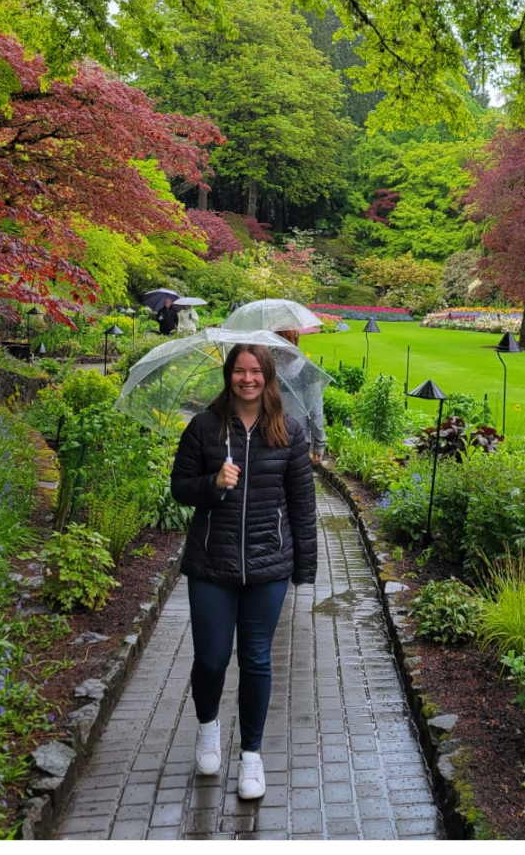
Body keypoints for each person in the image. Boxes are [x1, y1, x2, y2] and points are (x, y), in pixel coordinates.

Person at [170, 343, 317, 800]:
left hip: (268, 564)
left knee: (256, 660)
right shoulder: (204, 427)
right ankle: (208, 727)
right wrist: (213, 485)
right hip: (212, 563)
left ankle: (251, 756)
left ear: (268, 377)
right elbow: (179, 489)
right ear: (228, 374)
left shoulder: (289, 433)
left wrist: (305, 572)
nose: (247, 379)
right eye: (239, 370)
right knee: (211, 659)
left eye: (256, 371)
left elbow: (302, 506)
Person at [273, 328, 327, 464]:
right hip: (299, 436)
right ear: (295, 341)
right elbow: (315, 409)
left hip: (270, 432)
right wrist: (319, 443)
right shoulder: (307, 368)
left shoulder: (263, 367)